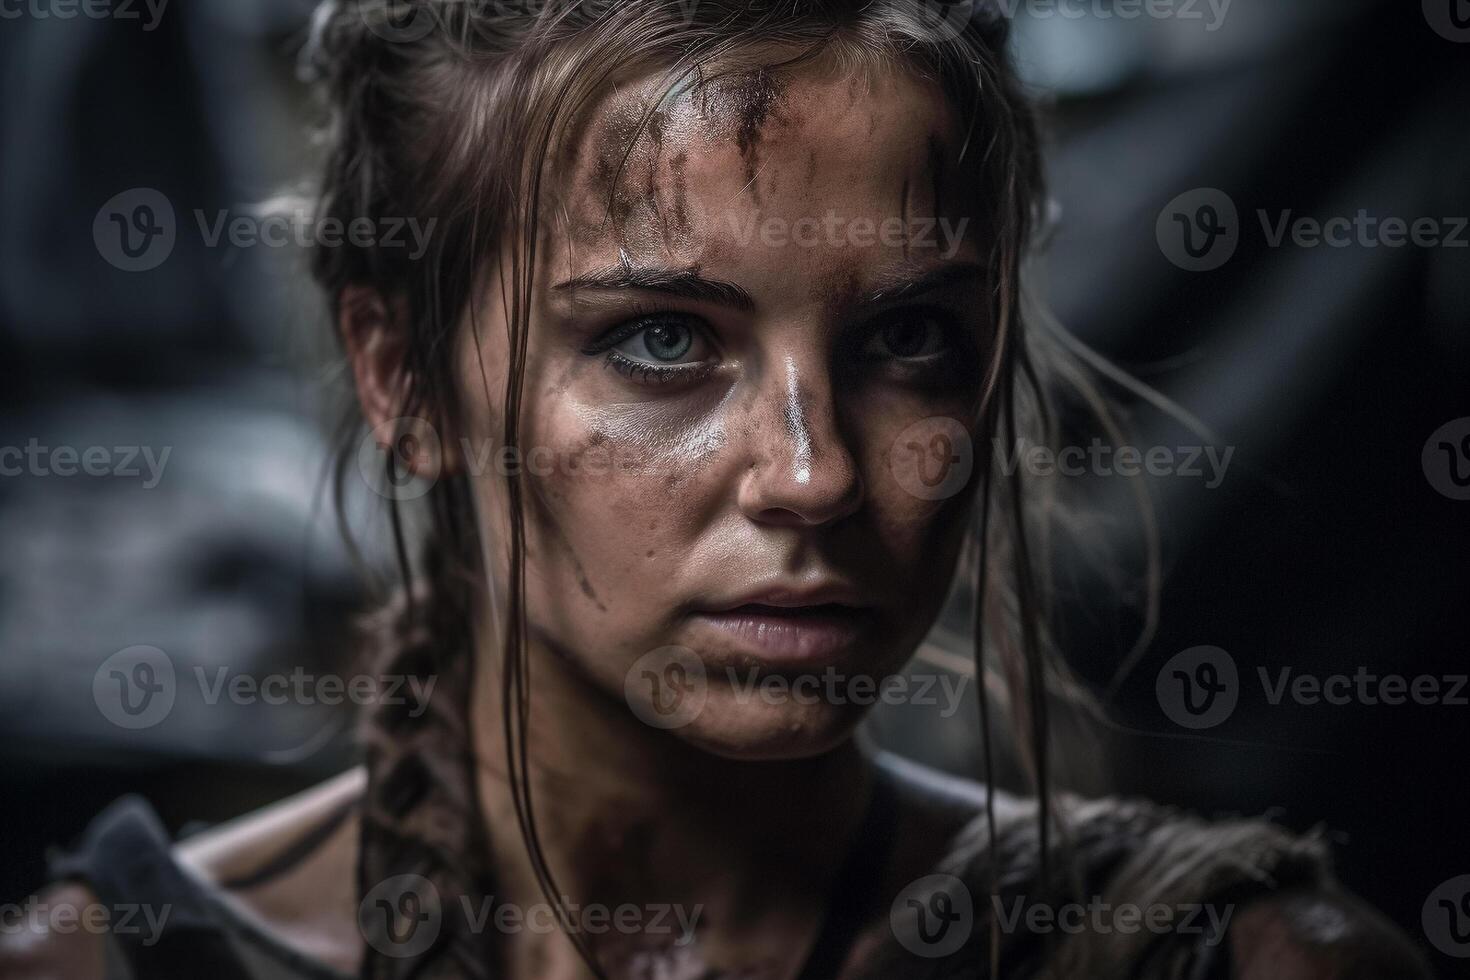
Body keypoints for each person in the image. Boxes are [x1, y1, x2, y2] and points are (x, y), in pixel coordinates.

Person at [0, 2, 1436, 978]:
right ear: (405, 378)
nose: (813, 473)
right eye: (662, 341)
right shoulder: (104, 964)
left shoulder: (1246, 961)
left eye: (908, 338)